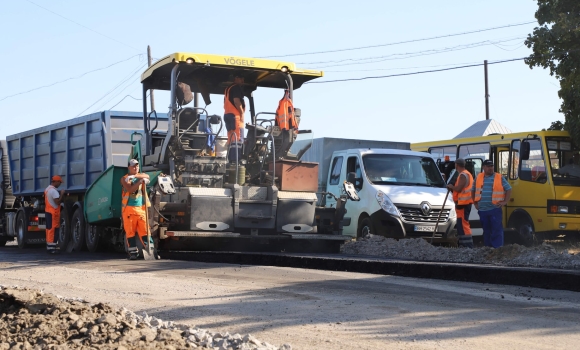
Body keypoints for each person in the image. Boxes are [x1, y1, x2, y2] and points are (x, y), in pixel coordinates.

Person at [473, 159, 512, 248]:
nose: (491, 168)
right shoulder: (478, 177)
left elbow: (508, 189)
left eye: (492, 166)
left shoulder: (498, 177)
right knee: (486, 231)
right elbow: (473, 190)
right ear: (483, 167)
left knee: (496, 230)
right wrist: (475, 202)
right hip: (482, 210)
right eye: (488, 166)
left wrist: (505, 201)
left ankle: (497, 250)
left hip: (494, 209)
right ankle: (488, 249)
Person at [120, 159, 152, 260]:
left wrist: (135, 177)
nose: (136, 168)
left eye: (137, 166)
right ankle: (133, 253)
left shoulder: (139, 176)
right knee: (130, 232)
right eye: (133, 166)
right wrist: (139, 182)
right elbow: (130, 189)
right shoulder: (124, 178)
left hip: (141, 209)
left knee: (145, 231)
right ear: (129, 167)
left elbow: (147, 176)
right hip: (129, 210)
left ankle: (151, 252)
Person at [446, 158, 474, 248]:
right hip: (464, 203)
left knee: (463, 225)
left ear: (456, 165)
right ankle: (464, 245)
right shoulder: (467, 174)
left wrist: (451, 187)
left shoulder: (463, 175)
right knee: (462, 225)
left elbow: (458, 189)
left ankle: (467, 245)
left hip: (463, 204)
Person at [224, 71, 246, 162]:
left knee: (231, 138)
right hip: (235, 117)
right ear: (236, 79)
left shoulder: (228, 89)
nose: (242, 81)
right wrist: (242, 113)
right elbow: (237, 101)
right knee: (238, 138)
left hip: (227, 115)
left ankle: (230, 159)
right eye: (241, 78)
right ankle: (236, 160)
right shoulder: (236, 88)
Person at [44, 175, 66, 254]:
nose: (60, 184)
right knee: (54, 230)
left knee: (49, 229)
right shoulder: (53, 191)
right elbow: (57, 202)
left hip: (48, 211)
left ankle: (49, 246)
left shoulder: (47, 189)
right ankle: (52, 248)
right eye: (59, 182)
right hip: (54, 213)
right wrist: (62, 194)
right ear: (56, 182)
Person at [274, 89, 298, 158]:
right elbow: (287, 116)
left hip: (284, 128)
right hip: (285, 128)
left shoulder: (284, 102)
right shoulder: (285, 102)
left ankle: (282, 152)